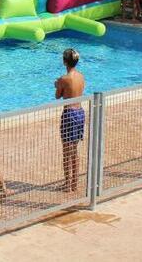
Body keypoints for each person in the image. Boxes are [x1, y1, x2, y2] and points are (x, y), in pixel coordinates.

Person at [55, 48, 85, 192]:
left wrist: (57, 85)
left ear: (64, 61)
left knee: (66, 151)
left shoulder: (64, 79)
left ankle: (67, 184)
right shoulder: (81, 76)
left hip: (69, 114)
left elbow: (58, 96)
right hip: (80, 113)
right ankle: (74, 182)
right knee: (75, 150)